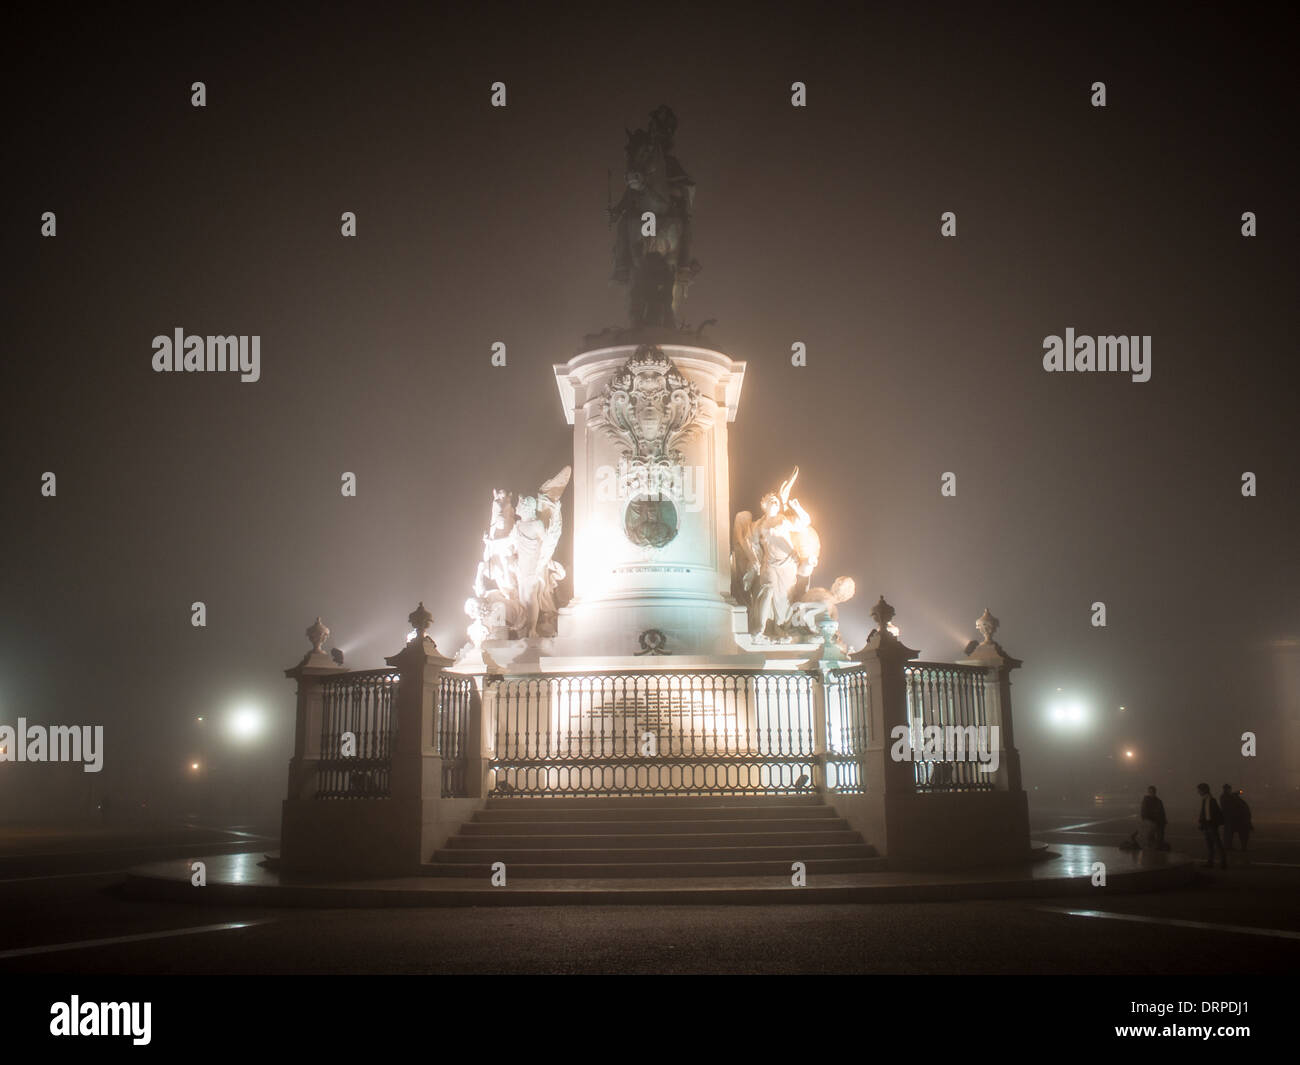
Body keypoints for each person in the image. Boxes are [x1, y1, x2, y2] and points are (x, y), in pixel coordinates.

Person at [1196, 782, 1226, 869]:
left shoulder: (1210, 800)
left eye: (1199, 790)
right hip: (1208, 825)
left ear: (1204, 790)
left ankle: (1222, 862)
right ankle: (1213, 862)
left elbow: (1209, 814)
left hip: (1210, 825)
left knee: (1216, 844)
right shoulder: (1207, 799)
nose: (1198, 792)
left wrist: (1205, 823)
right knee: (1211, 845)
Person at [1221, 784, 1252, 852]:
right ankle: (1229, 847)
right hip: (1232, 819)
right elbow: (1228, 807)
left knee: (1239, 833)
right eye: (1226, 789)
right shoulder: (1225, 797)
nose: (1228, 790)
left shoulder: (1231, 796)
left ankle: (1242, 847)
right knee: (1229, 834)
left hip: (1237, 819)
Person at [1139, 785, 1167, 850]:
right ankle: (1152, 849)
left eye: (1153, 791)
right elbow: (1144, 811)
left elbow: (1162, 812)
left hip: (1156, 821)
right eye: (1150, 791)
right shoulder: (1147, 800)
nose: (1152, 793)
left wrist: (1163, 821)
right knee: (1150, 837)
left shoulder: (1158, 801)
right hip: (1150, 821)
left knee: (1157, 837)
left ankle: (1155, 848)